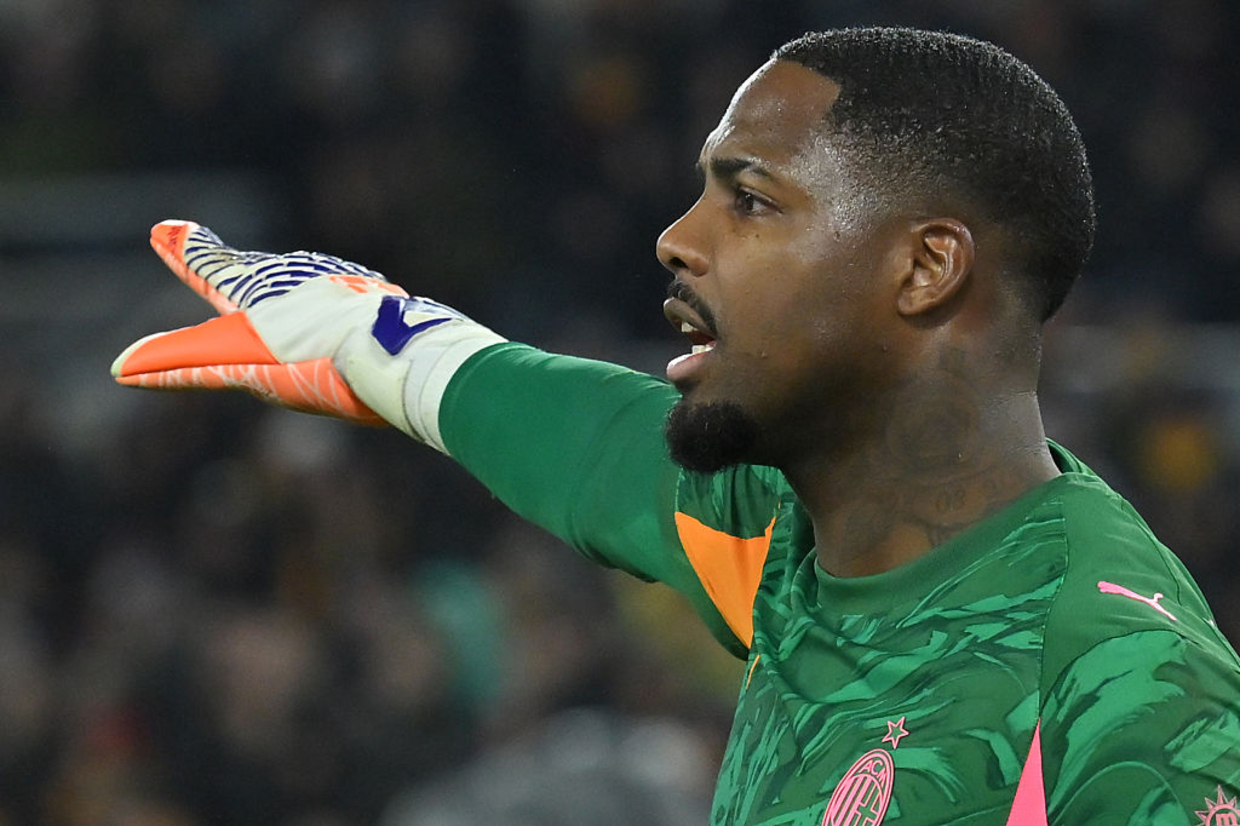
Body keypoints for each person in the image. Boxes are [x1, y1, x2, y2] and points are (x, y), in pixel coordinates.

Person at [113, 27, 1240, 826]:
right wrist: (380, 338)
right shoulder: (793, 537)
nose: (677, 238)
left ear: (924, 268)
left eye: (749, 199)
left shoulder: (1122, 683)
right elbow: (592, 441)